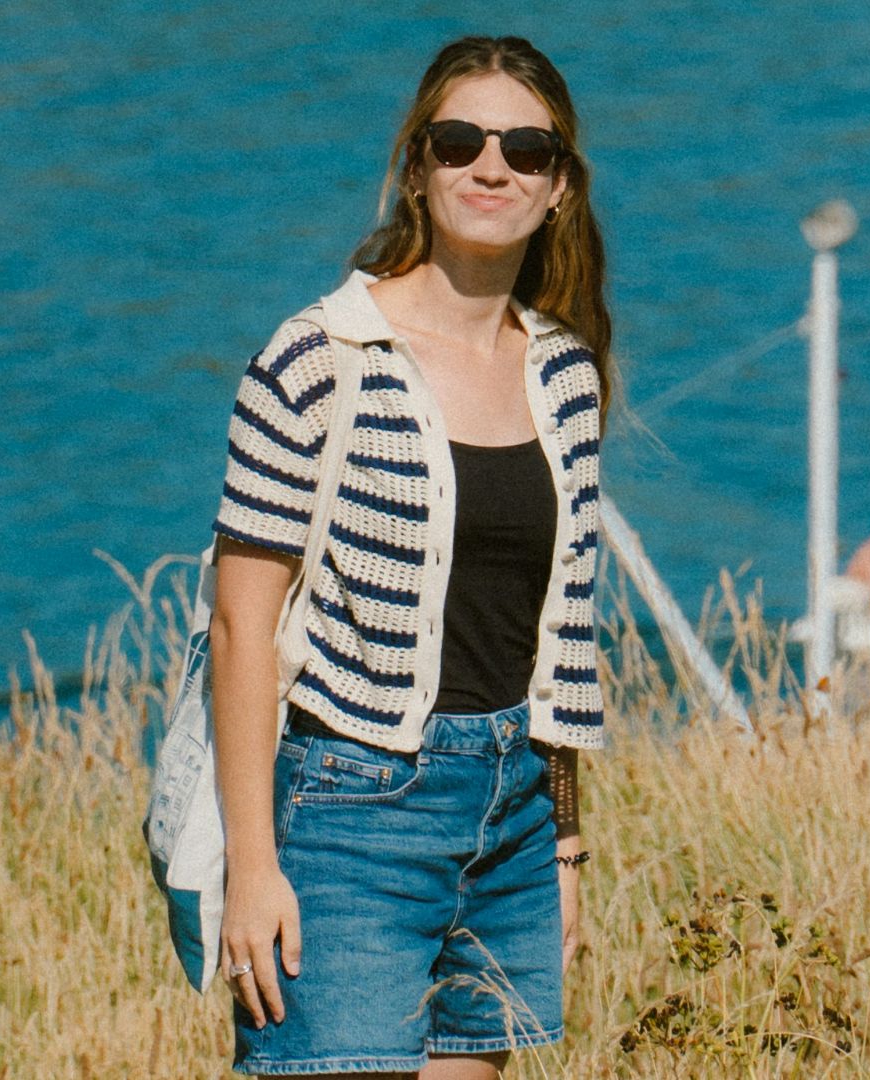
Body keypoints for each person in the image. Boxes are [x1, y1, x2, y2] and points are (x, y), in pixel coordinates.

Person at [207, 36, 610, 1079]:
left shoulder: (564, 376)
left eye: (526, 148)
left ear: (559, 186)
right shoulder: (317, 357)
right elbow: (242, 622)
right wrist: (254, 868)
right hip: (348, 817)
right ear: (418, 167)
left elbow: (557, 642)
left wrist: (564, 845)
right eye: (460, 140)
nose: (492, 166)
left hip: (513, 827)